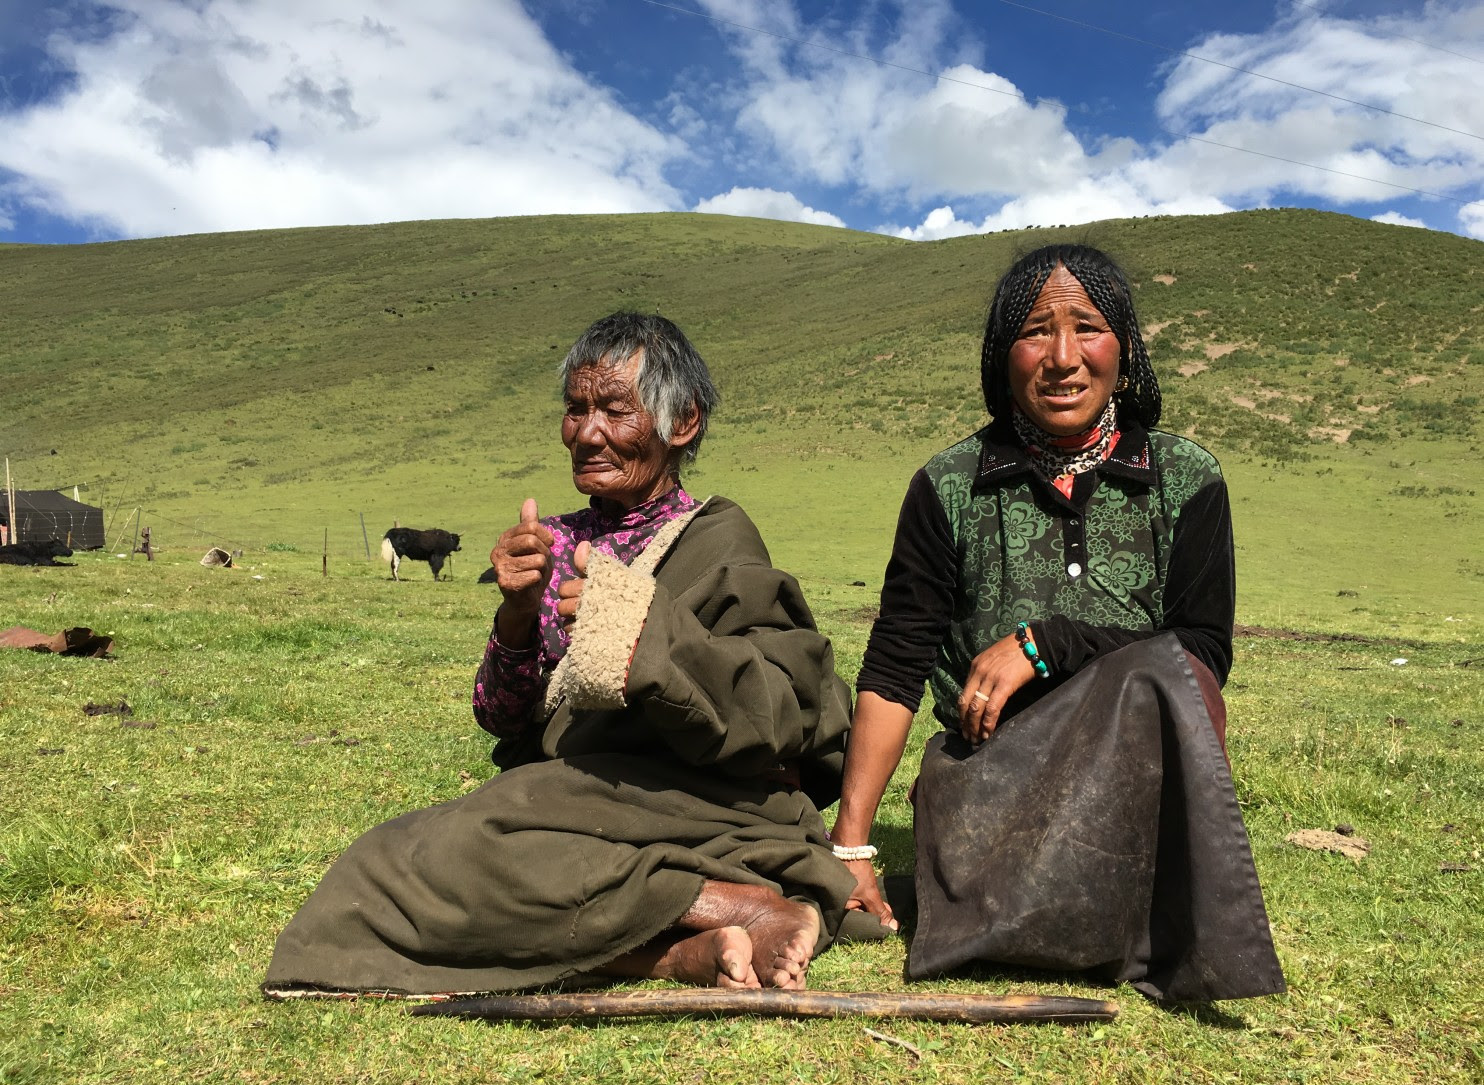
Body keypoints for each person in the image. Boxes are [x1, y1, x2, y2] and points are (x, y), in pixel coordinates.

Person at [263, 312, 858, 997]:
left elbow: (781, 704)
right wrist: (517, 615)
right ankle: (686, 948)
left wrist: (647, 637)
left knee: (451, 855)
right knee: (411, 856)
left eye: (613, 408)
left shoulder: (717, 539)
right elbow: (505, 719)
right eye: (576, 409)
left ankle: (732, 903)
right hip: (568, 802)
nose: (587, 431)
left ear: (682, 422)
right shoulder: (549, 541)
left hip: (698, 801)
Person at [831, 244, 1285, 1004]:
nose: (1064, 357)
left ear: (1127, 347)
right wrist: (851, 844)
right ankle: (1085, 919)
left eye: (1089, 327)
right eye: (1037, 331)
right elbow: (897, 660)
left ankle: (1084, 917)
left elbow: (1203, 655)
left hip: (1133, 792)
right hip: (994, 787)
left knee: (1160, 676)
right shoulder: (948, 486)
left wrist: (1050, 644)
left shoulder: (1186, 479)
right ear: (1000, 354)